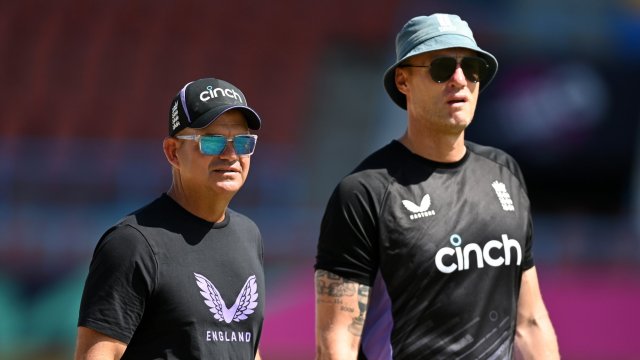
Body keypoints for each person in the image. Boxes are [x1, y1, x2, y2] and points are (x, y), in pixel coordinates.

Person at [314, 13, 560, 359]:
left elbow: (530, 322)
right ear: (403, 81)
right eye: (442, 67)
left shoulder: (504, 172)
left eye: (471, 67)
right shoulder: (364, 193)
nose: (459, 80)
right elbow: (337, 341)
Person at [75, 77, 265, 359]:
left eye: (242, 141)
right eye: (211, 142)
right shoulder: (132, 243)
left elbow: (245, 348)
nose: (230, 154)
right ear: (173, 152)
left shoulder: (249, 235)